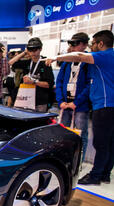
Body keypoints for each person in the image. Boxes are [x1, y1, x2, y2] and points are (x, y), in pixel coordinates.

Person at [46, 30, 114, 185]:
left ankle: (96, 175)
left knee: (101, 143)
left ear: (101, 44)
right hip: (108, 105)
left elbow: (80, 56)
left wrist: (56, 57)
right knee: (109, 142)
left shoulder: (103, 56)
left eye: (93, 43)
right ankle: (104, 174)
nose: (92, 46)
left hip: (103, 105)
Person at [55, 33, 91, 161]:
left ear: (84, 45)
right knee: (63, 134)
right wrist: (60, 101)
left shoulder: (88, 62)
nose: (73, 47)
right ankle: (64, 159)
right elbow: (59, 82)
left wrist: (77, 102)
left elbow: (89, 85)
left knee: (80, 134)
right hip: (65, 104)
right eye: (71, 44)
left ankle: (79, 161)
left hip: (80, 106)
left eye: (76, 44)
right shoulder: (66, 63)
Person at [10, 38, 55, 112]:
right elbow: (11, 63)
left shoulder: (45, 62)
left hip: (40, 101)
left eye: (35, 49)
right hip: (25, 100)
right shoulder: (27, 62)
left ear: (40, 49)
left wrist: (33, 82)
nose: (33, 52)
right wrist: (24, 52)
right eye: (30, 49)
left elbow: (49, 84)